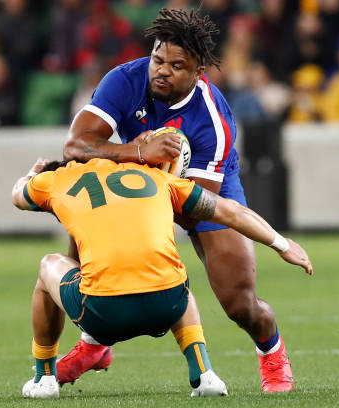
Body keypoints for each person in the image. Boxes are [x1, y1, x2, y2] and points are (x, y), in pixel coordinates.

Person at [60, 8, 308, 392]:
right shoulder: (124, 80)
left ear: (198, 73)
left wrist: (150, 172)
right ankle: (94, 343)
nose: (162, 70)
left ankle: (271, 352)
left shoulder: (212, 119)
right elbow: (76, 146)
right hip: (130, 177)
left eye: (178, 66)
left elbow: (196, 204)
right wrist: (139, 154)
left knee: (240, 304)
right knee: (80, 254)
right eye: (159, 59)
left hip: (204, 189)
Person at [11, 157, 313, 398]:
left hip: (101, 313)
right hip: (166, 307)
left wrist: (32, 172)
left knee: (48, 263)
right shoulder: (160, 178)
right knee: (172, 270)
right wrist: (283, 244)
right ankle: (205, 373)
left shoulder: (58, 179)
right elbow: (231, 212)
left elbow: (18, 196)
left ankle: (44, 377)